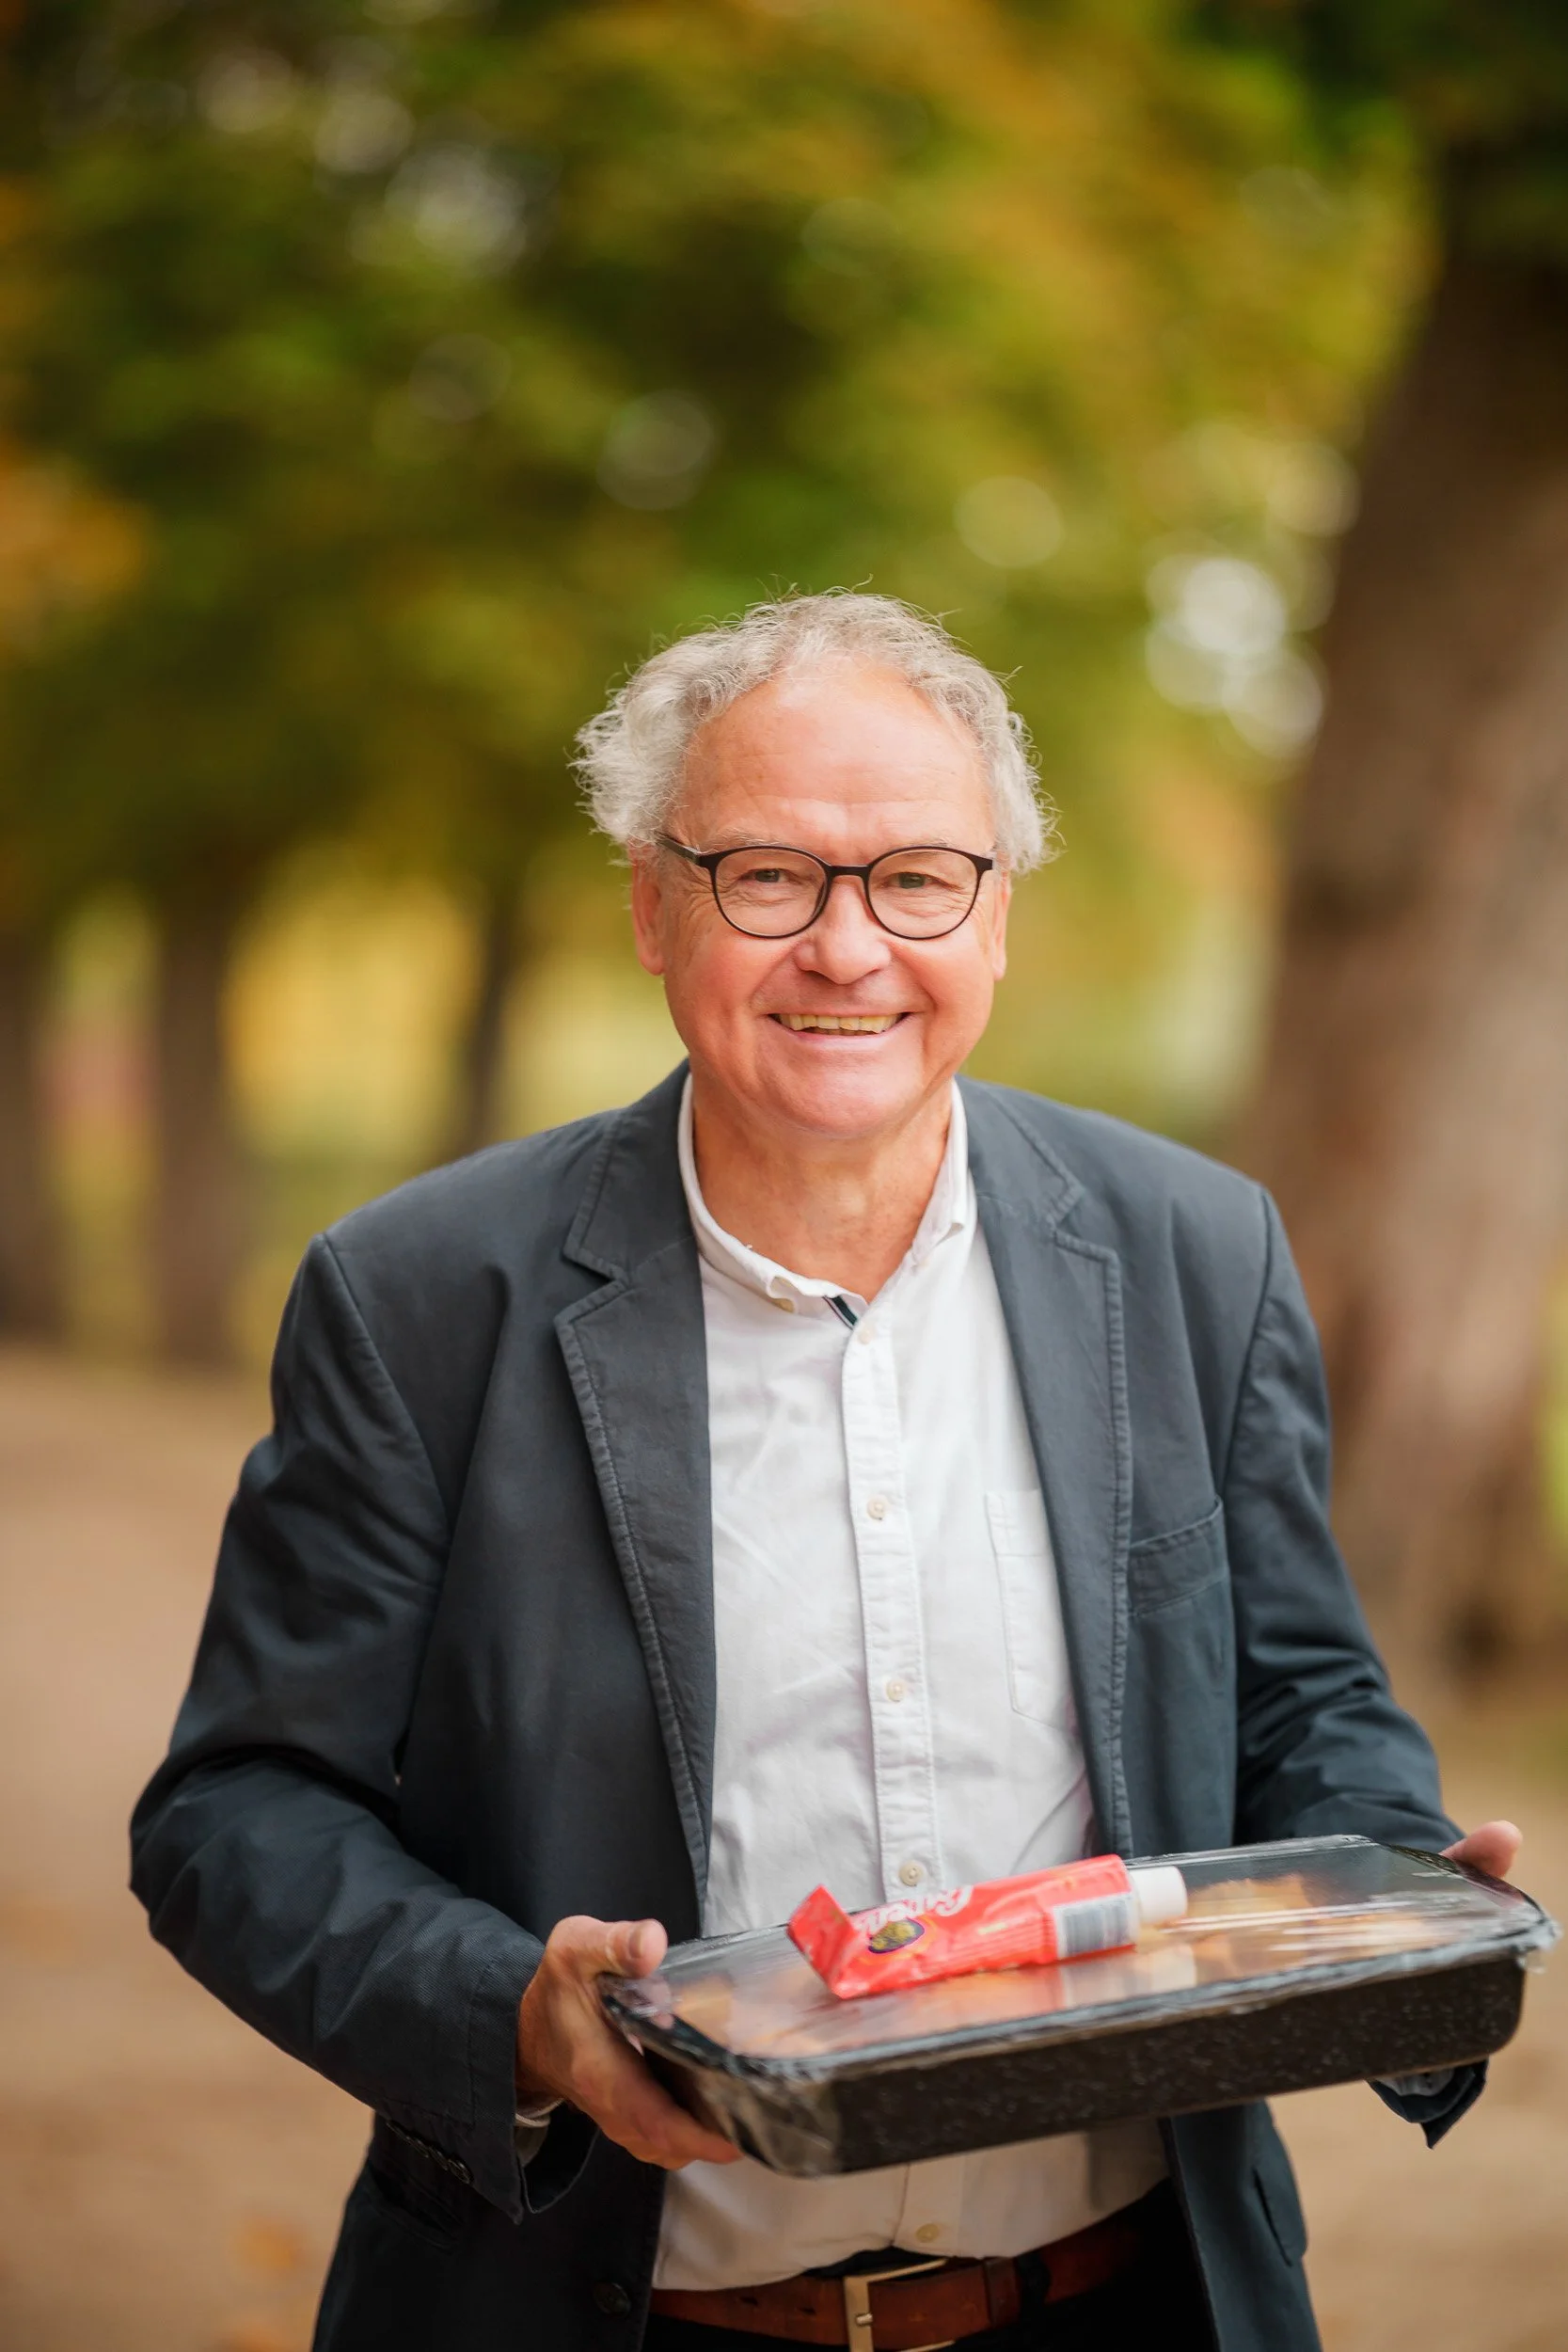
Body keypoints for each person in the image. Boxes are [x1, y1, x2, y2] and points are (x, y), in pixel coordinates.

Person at [132, 594, 1520, 2352]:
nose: (847, 950)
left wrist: (1394, 1890)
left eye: (916, 878)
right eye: (765, 875)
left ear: (995, 912)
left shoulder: (1195, 1248)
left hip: (1124, 2300)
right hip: (608, 2313)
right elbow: (235, 1815)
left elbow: (1298, 1691)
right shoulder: (416, 1298)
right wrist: (518, 2019)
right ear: (651, 902)